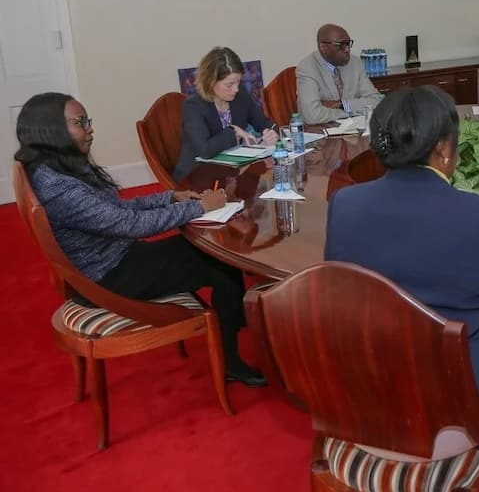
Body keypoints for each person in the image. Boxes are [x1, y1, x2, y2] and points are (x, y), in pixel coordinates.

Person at [325, 85, 479, 459]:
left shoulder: (344, 204)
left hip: (361, 409)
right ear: (443, 149)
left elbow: (338, 294)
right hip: (458, 417)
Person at [15, 92, 265, 387]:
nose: (90, 128)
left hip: (114, 260)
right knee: (219, 261)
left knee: (214, 251)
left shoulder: (56, 169)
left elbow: (116, 210)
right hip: (109, 276)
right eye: (80, 122)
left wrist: (170, 197)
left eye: (87, 120)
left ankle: (232, 319)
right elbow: (129, 224)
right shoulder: (60, 188)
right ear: (51, 129)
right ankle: (231, 359)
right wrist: (198, 207)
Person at [174, 46, 277, 181]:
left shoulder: (240, 95)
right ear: (211, 82)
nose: (235, 89)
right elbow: (205, 150)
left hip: (234, 173)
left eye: (238, 82)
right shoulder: (194, 106)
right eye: (229, 85)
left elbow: (264, 122)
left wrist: (271, 132)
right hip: (199, 178)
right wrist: (233, 130)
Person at [296, 23, 381, 124]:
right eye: (341, 45)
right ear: (323, 47)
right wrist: (349, 112)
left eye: (348, 43)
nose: (347, 49)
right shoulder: (307, 67)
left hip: (353, 131)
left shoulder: (355, 63)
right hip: (321, 132)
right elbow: (312, 115)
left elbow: (376, 101)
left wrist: (342, 104)